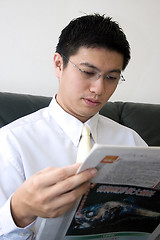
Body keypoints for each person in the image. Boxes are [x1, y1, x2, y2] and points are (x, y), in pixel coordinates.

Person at [0, 13, 147, 240]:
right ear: (59, 64)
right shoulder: (11, 142)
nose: (98, 88)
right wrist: (18, 211)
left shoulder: (133, 143)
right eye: (88, 72)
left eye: (111, 77)